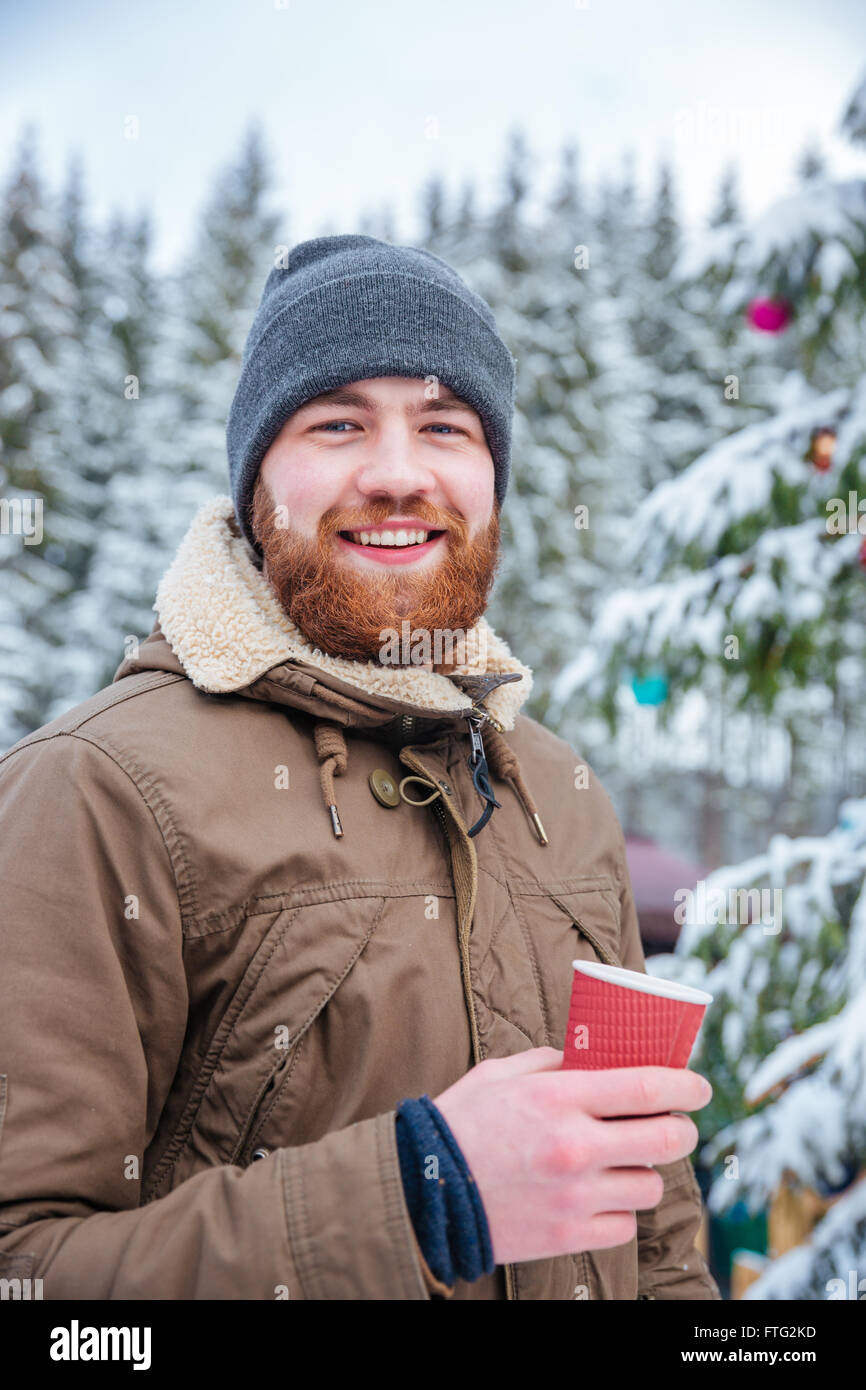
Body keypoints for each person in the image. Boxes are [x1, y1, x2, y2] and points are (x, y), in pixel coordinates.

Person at [0, 234, 720, 1300]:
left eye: (444, 427)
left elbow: (655, 1238)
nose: (395, 474)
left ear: (491, 477)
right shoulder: (96, 789)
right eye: (336, 423)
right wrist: (421, 1198)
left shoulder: (555, 798)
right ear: (255, 481)